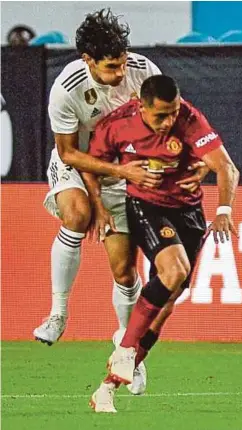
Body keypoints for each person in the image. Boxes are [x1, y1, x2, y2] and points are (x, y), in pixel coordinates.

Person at [33, 9, 209, 395]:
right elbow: (67, 153)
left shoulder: (144, 71)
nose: (119, 74)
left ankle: (127, 352)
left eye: (122, 63)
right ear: (87, 60)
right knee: (77, 216)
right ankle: (58, 313)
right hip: (79, 166)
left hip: (121, 173)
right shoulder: (67, 88)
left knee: (125, 272)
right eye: (111, 67)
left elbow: (173, 122)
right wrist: (108, 191)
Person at [87, 75, 239, 412]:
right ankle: (126, 350)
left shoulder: (189, 118)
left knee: (167, 303)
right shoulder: (118, 124)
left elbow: (226, 167)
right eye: (161, 115)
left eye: (172, 113)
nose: (169, 121)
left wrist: (224, 209)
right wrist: (100, 205)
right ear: (141, 106)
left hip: (188, 211)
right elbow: (91, 165)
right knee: (174, 270)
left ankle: (106, 389)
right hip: (146, 205)